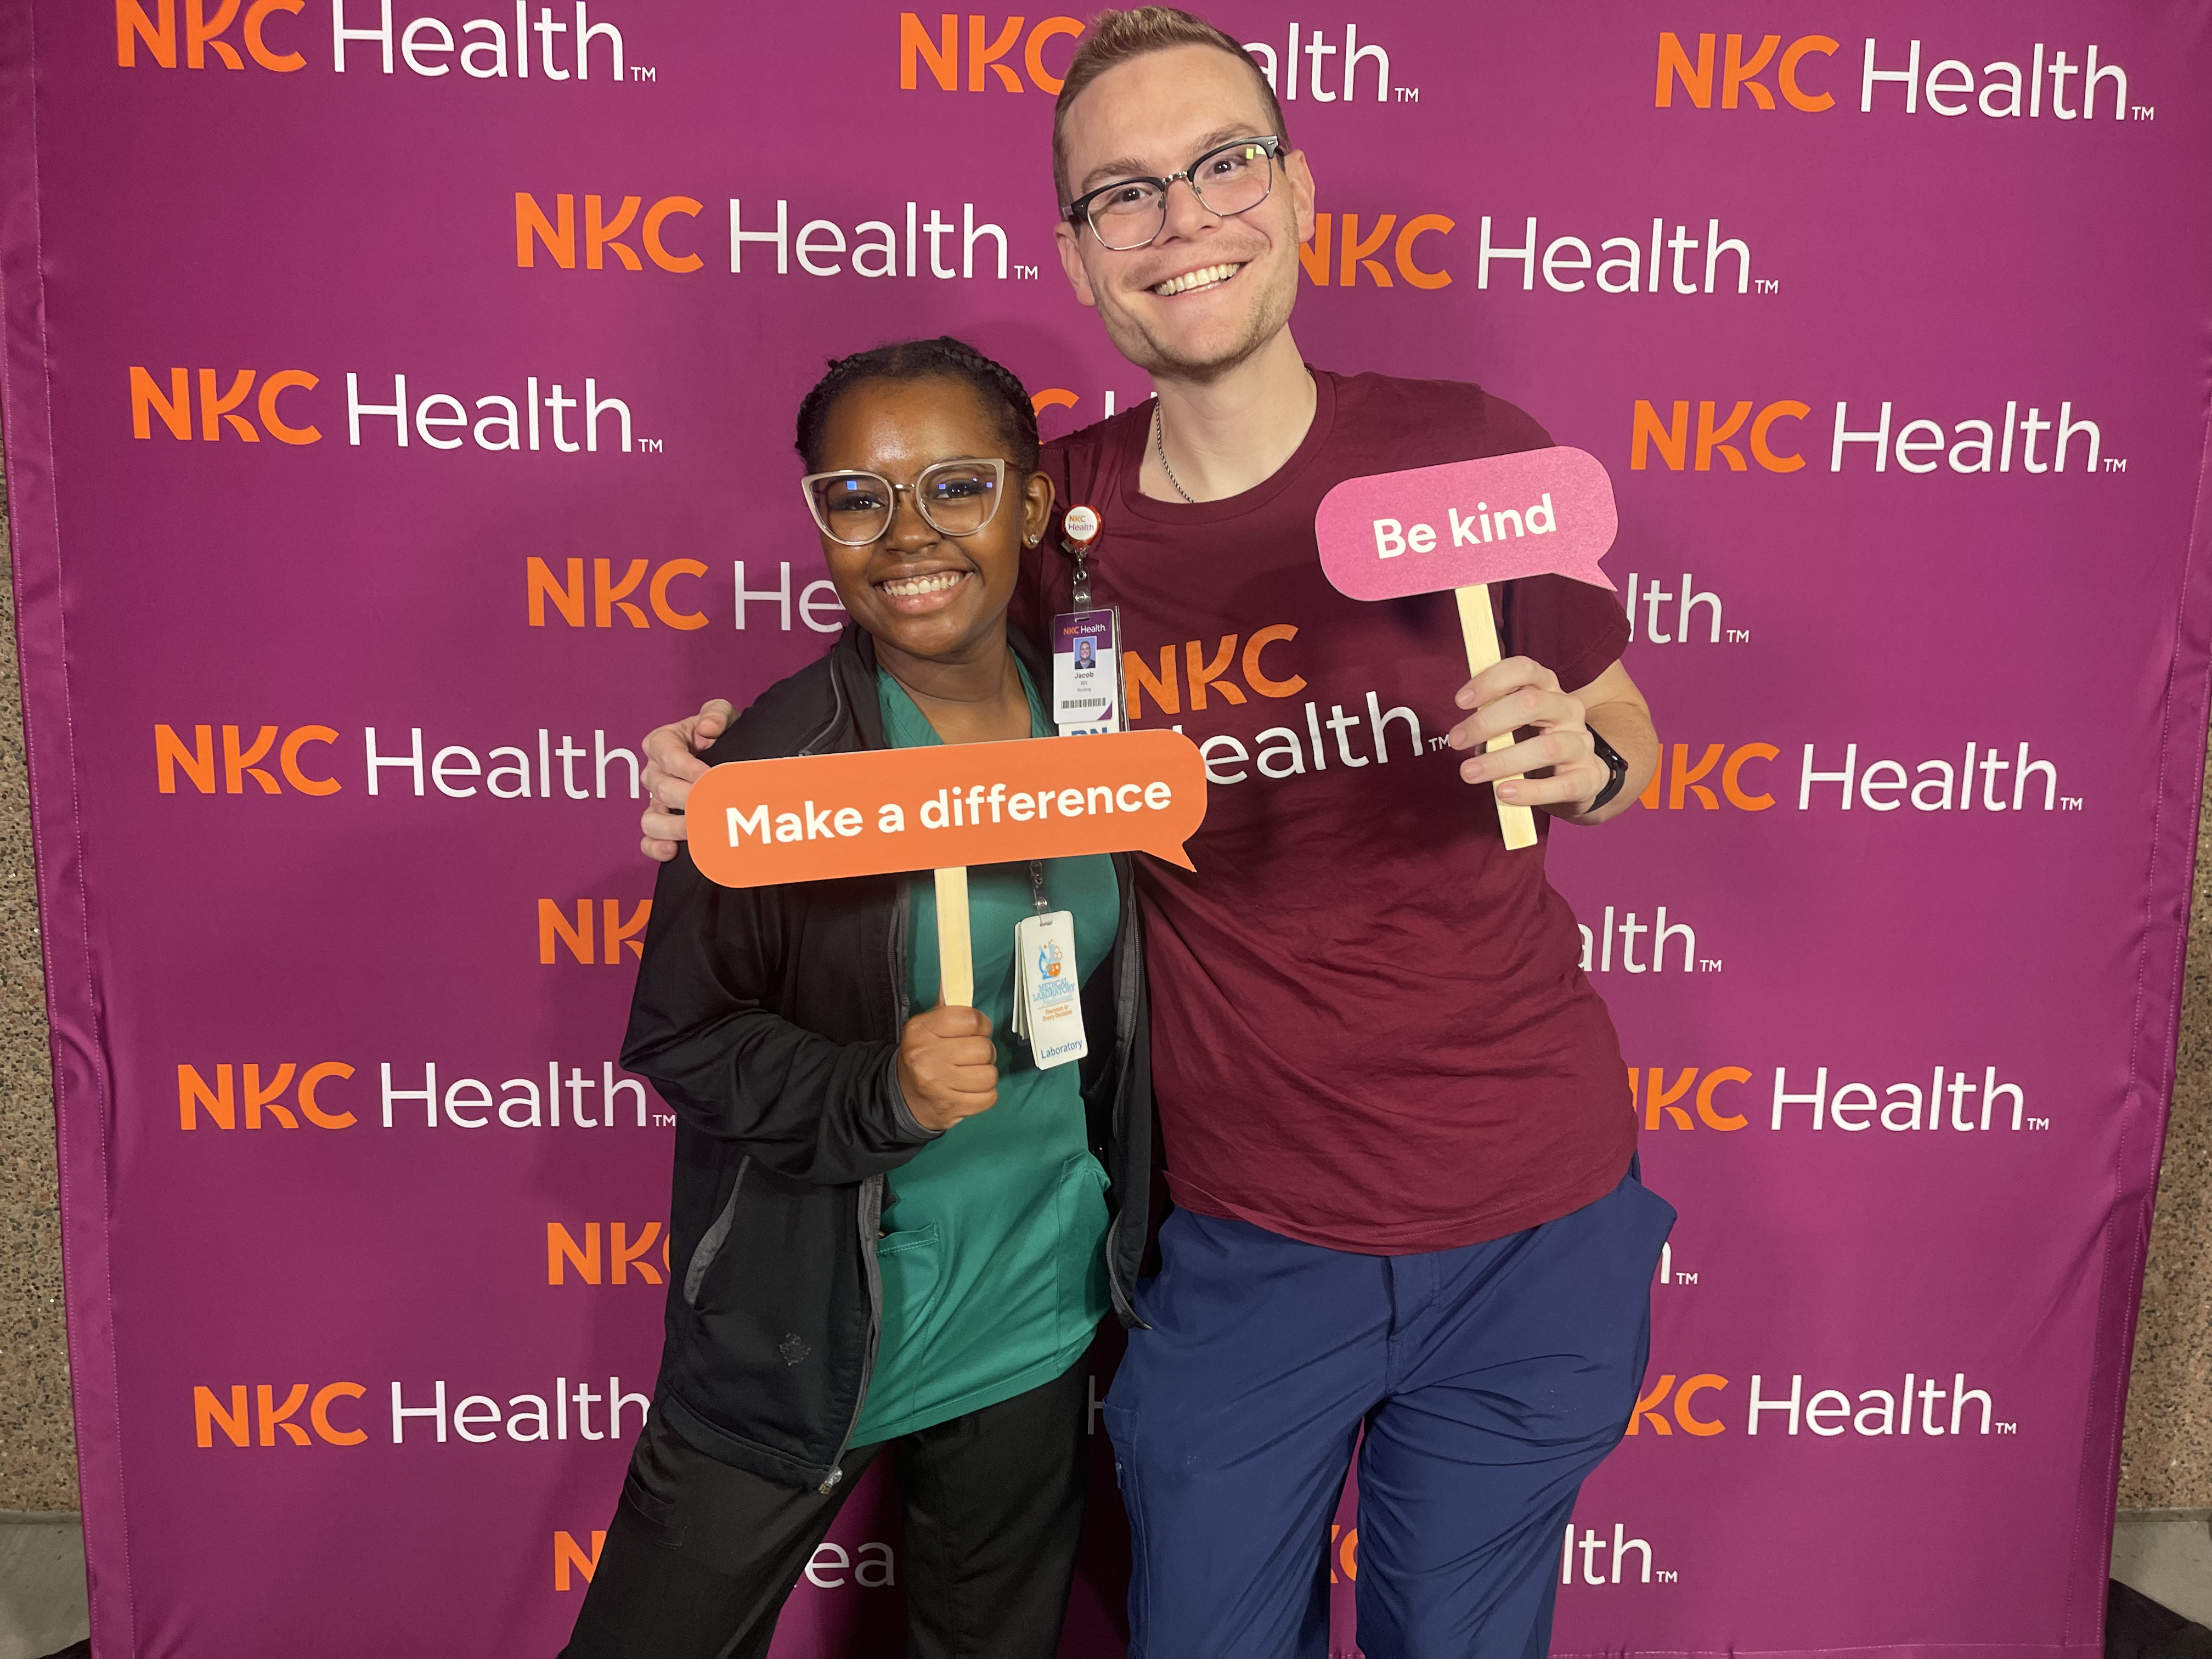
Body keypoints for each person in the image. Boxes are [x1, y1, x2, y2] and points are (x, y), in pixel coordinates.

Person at [635, 10, 1674, 1656]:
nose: (1183, 219)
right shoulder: (1045, 520)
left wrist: (1590, 760)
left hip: (1535, 1215)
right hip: (1246, 1236)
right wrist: (724, 765)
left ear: (1300, 193)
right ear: (1077, 254)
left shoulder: (1468, 451)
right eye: (1124, 193)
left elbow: (1623, 725)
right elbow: (889, 665)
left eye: (1224, 165)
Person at [561, 337, 1152, 1659]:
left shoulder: (1097, 724)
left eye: (957, 486)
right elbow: (682, 1036)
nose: (908, 535)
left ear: (1030, 506)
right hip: (804, 1339)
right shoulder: (775, 765)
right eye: (857, 498)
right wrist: (877, 1090)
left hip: (1036, 1313)